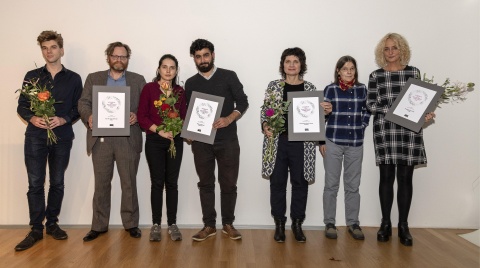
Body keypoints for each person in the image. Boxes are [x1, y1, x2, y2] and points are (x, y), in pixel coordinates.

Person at [15, 30, 83, 251]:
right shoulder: (32, 76)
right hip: (35, 137)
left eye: (53, 47)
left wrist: (63, 119)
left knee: (57, 182)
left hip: (61, 138)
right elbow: (22, 106)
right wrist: (32, 117)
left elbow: (79, 108)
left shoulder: (74, 78)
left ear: (61, 50)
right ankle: (36, 229)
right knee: (35, 184)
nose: (49, 52)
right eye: (44, 48)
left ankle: (52, 224)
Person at [367, 33, 435, 246]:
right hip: (385, 131)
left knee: (406, 179)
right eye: (386, 49)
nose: (390, 52)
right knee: (386, 177)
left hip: (408, 132)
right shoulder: (376, 75)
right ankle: (385, 224)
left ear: (401, 49)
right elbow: (370, 104)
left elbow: (420, 100)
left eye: (394, 48)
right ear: (382, 52)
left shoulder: (413, 73)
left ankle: (403, 225)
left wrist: (426, 113)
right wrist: (394, 110)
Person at [78, 42, 146, 242]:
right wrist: (89, 116)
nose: (119, 60)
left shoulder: (138, 80)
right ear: (108, 57)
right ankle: (98, 226)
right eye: (115, 56)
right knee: (101, 185)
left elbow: (146, 108)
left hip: (128, 139)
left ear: (127, 59)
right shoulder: (94, 78)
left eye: (123, 57)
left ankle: (131, 224)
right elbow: (83, 103)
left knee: (129, 184)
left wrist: (136, 116)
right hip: (101, 140)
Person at [185, 39, 249, 242]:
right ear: (194, 59)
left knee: (229, 183)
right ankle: (209, 225)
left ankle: (228, 223)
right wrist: (188, 131)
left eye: (205, 55)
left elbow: (244, 101)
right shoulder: (190, 83)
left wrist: (230, 118)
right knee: (205, 183)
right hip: (201, 142)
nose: (202, 60)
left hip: (227, 139)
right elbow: (188, 112)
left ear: (213, 55)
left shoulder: (229, 76)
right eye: (198, 56)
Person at [261, 47, 317, 243]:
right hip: (278, 142)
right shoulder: (274, 86)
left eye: (295, 61)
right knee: (277, 183)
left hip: (302, 144)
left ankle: (297, 224)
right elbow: (265, 111)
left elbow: (315, 118)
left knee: (300, 183)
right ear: (282, 65)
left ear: (301, 64)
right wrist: (266, 124)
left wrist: (324, 110)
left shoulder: (310, 88)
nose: (291, 65)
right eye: (288, 61)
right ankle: (279, 224)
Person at [319, 56, 370, 240]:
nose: (349, 71)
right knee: (331, 185)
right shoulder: (330, 89)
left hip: (355, 144)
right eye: (345, 68)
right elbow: (321, 116)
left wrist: (362, 125)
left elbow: (367, 112)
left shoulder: (362, 89)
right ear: (338, 71)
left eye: (352, 68)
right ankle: (330, 223)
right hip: (333, 142)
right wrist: (321, 142)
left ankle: (353, 223)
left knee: (353, 186)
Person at [137, 54, 187, 241]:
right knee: (157, 183)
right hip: (155, 141)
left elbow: (183, 116)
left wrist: (177, 129)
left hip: (175, 141)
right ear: (158, 69)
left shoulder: (180, 91)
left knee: (172, 183)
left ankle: (173, 224)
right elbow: (142, 116)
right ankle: (156, 224)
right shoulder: (149, 89)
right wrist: (159, 130)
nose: (168, 71)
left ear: (176, 71)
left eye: (172, 67)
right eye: (164, 67)